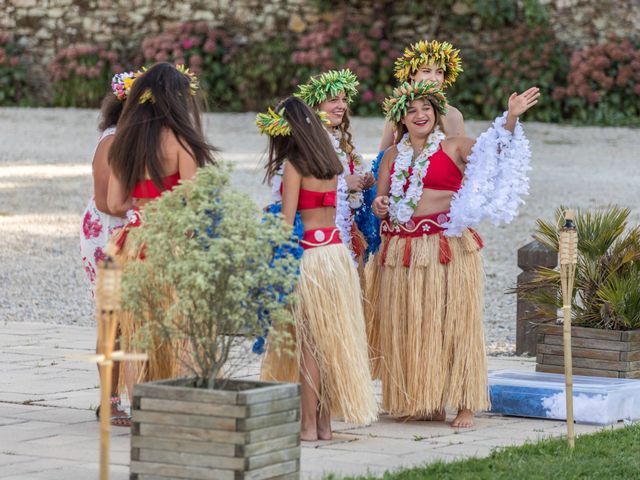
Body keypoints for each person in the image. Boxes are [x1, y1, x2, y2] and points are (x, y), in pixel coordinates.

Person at [368, 80, 539, 428]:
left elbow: (495, 153)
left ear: (436, 114)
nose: (420, 115)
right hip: (403, 249)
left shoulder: (455, 146)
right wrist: (380, 204)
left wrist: (509, 119)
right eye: (412, 110)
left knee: (454, 322)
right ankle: (426, 399)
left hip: (445, 246)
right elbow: (380, 202)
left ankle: (465, 403)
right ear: (401, 119)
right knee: (414, 323)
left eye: (426, 109)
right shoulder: (391, 157)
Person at [257, 97, 378, 441]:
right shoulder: (331, 164)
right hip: (335, 255)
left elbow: (286, 222)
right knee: (329, 342)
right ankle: (324, 425)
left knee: (309, 344)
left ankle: (307, 426)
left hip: (309, 257)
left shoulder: (295, 166)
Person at [106, 62, 216, 400]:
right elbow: (194, 203)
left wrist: (142, 205)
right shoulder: (183, 143)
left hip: (133, 243)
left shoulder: (125, 142)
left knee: (136, 327)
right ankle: (178, 404)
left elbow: (114, 202)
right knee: (180, 328)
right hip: (171, 243)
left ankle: (139, 405)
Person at [79, 71, 135, 426]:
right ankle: (109, 402)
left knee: (126, 320)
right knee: (112, 321)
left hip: (123, 231)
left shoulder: (127, 139)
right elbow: (107, 202)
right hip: (108, 234)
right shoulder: (114, 142)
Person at [295, 69, 376, 262]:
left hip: (347, 227)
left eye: (344, 100)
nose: (341, 106)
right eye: (333, 100)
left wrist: (364, 180)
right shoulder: (309, 141)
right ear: (315, 105)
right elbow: (303, 186)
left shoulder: (341, 140)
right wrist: (343, 183)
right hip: (322, 237)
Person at [378, 40, 465, 152]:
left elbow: (462, 161)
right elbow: (381, 158)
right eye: (427, 71)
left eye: (439, 72)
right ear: (412, 74)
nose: (434, 78)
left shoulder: (453, 115)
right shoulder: (397, 112)